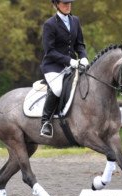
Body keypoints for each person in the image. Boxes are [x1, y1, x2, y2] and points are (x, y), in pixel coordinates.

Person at [40, 0, 89, 138]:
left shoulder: (75, 21)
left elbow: (79, 44)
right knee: (57, 89)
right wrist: (70, 61)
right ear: (56, 5)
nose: (68, 6)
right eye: (64, 3)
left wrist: (83, 57)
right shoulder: (50, 24)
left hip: (72, 65)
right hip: (53, 66)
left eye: (69, 3)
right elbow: (50, 51)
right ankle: (45, 122)